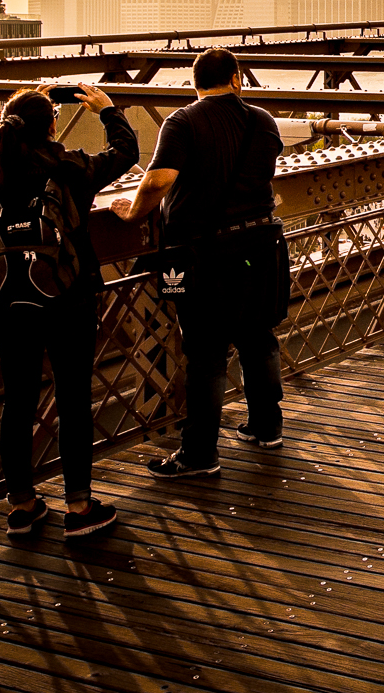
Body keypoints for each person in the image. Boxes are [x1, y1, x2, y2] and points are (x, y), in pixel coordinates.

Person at [114, 48, 291, 477]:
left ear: (195, 84)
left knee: (207, 353)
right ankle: (267, 427)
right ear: (236, 79)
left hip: (207, 254)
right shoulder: (262, 120)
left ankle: (199, 454)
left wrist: (134, 212)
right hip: (261, 245)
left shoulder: (183, 121)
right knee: (258, 337)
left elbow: (159, 179)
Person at [0, 83, 136, 540]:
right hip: (68, 296)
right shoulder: (66, 166)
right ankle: (80, 508)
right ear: (52, 125)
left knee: (18, 399)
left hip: (10, 301)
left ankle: (22, 506)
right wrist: (107, 110)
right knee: (72, 398)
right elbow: (126, 151)